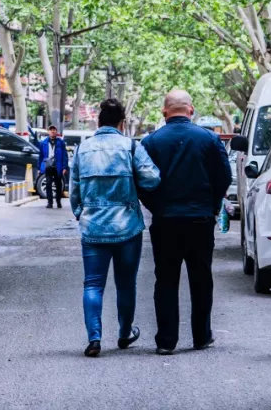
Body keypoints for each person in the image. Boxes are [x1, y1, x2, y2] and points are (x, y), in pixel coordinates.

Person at [140, 89, 232, 354]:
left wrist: (156, 207)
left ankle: (167, 341)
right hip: (200, 220)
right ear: (191, 110)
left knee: (166, 280)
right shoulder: (209, 139)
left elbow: (142, 182)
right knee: (201, 278)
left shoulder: (151, 142)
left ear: (164, 112)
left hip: (166, 221)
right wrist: (211, 206)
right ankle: (201, 336)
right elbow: (224, 178)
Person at [70, 99, 160, 357]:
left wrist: (81, 213)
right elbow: (152, 178)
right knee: (126, 284)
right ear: (122, 123)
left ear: (98, 121)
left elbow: (74, 189)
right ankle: (124, 334)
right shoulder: (131, 147)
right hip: (127, 228)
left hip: (93, 228)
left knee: (92, 285)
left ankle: (94, 339)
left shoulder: (82, 149)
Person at [38, 125, 69, 209]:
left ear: (56, 132)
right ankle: (50, 202)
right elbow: (40, 156)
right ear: (48, 132)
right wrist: (39, 168)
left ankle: (58, 201)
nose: (52, 131)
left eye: (54, 130)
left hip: (57, 166)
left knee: (58, 184)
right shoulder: (43, 143)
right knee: (48, 184)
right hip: (48, 165)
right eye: (51, 130)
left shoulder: (60, 142)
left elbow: (65, 155)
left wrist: (64, 167)